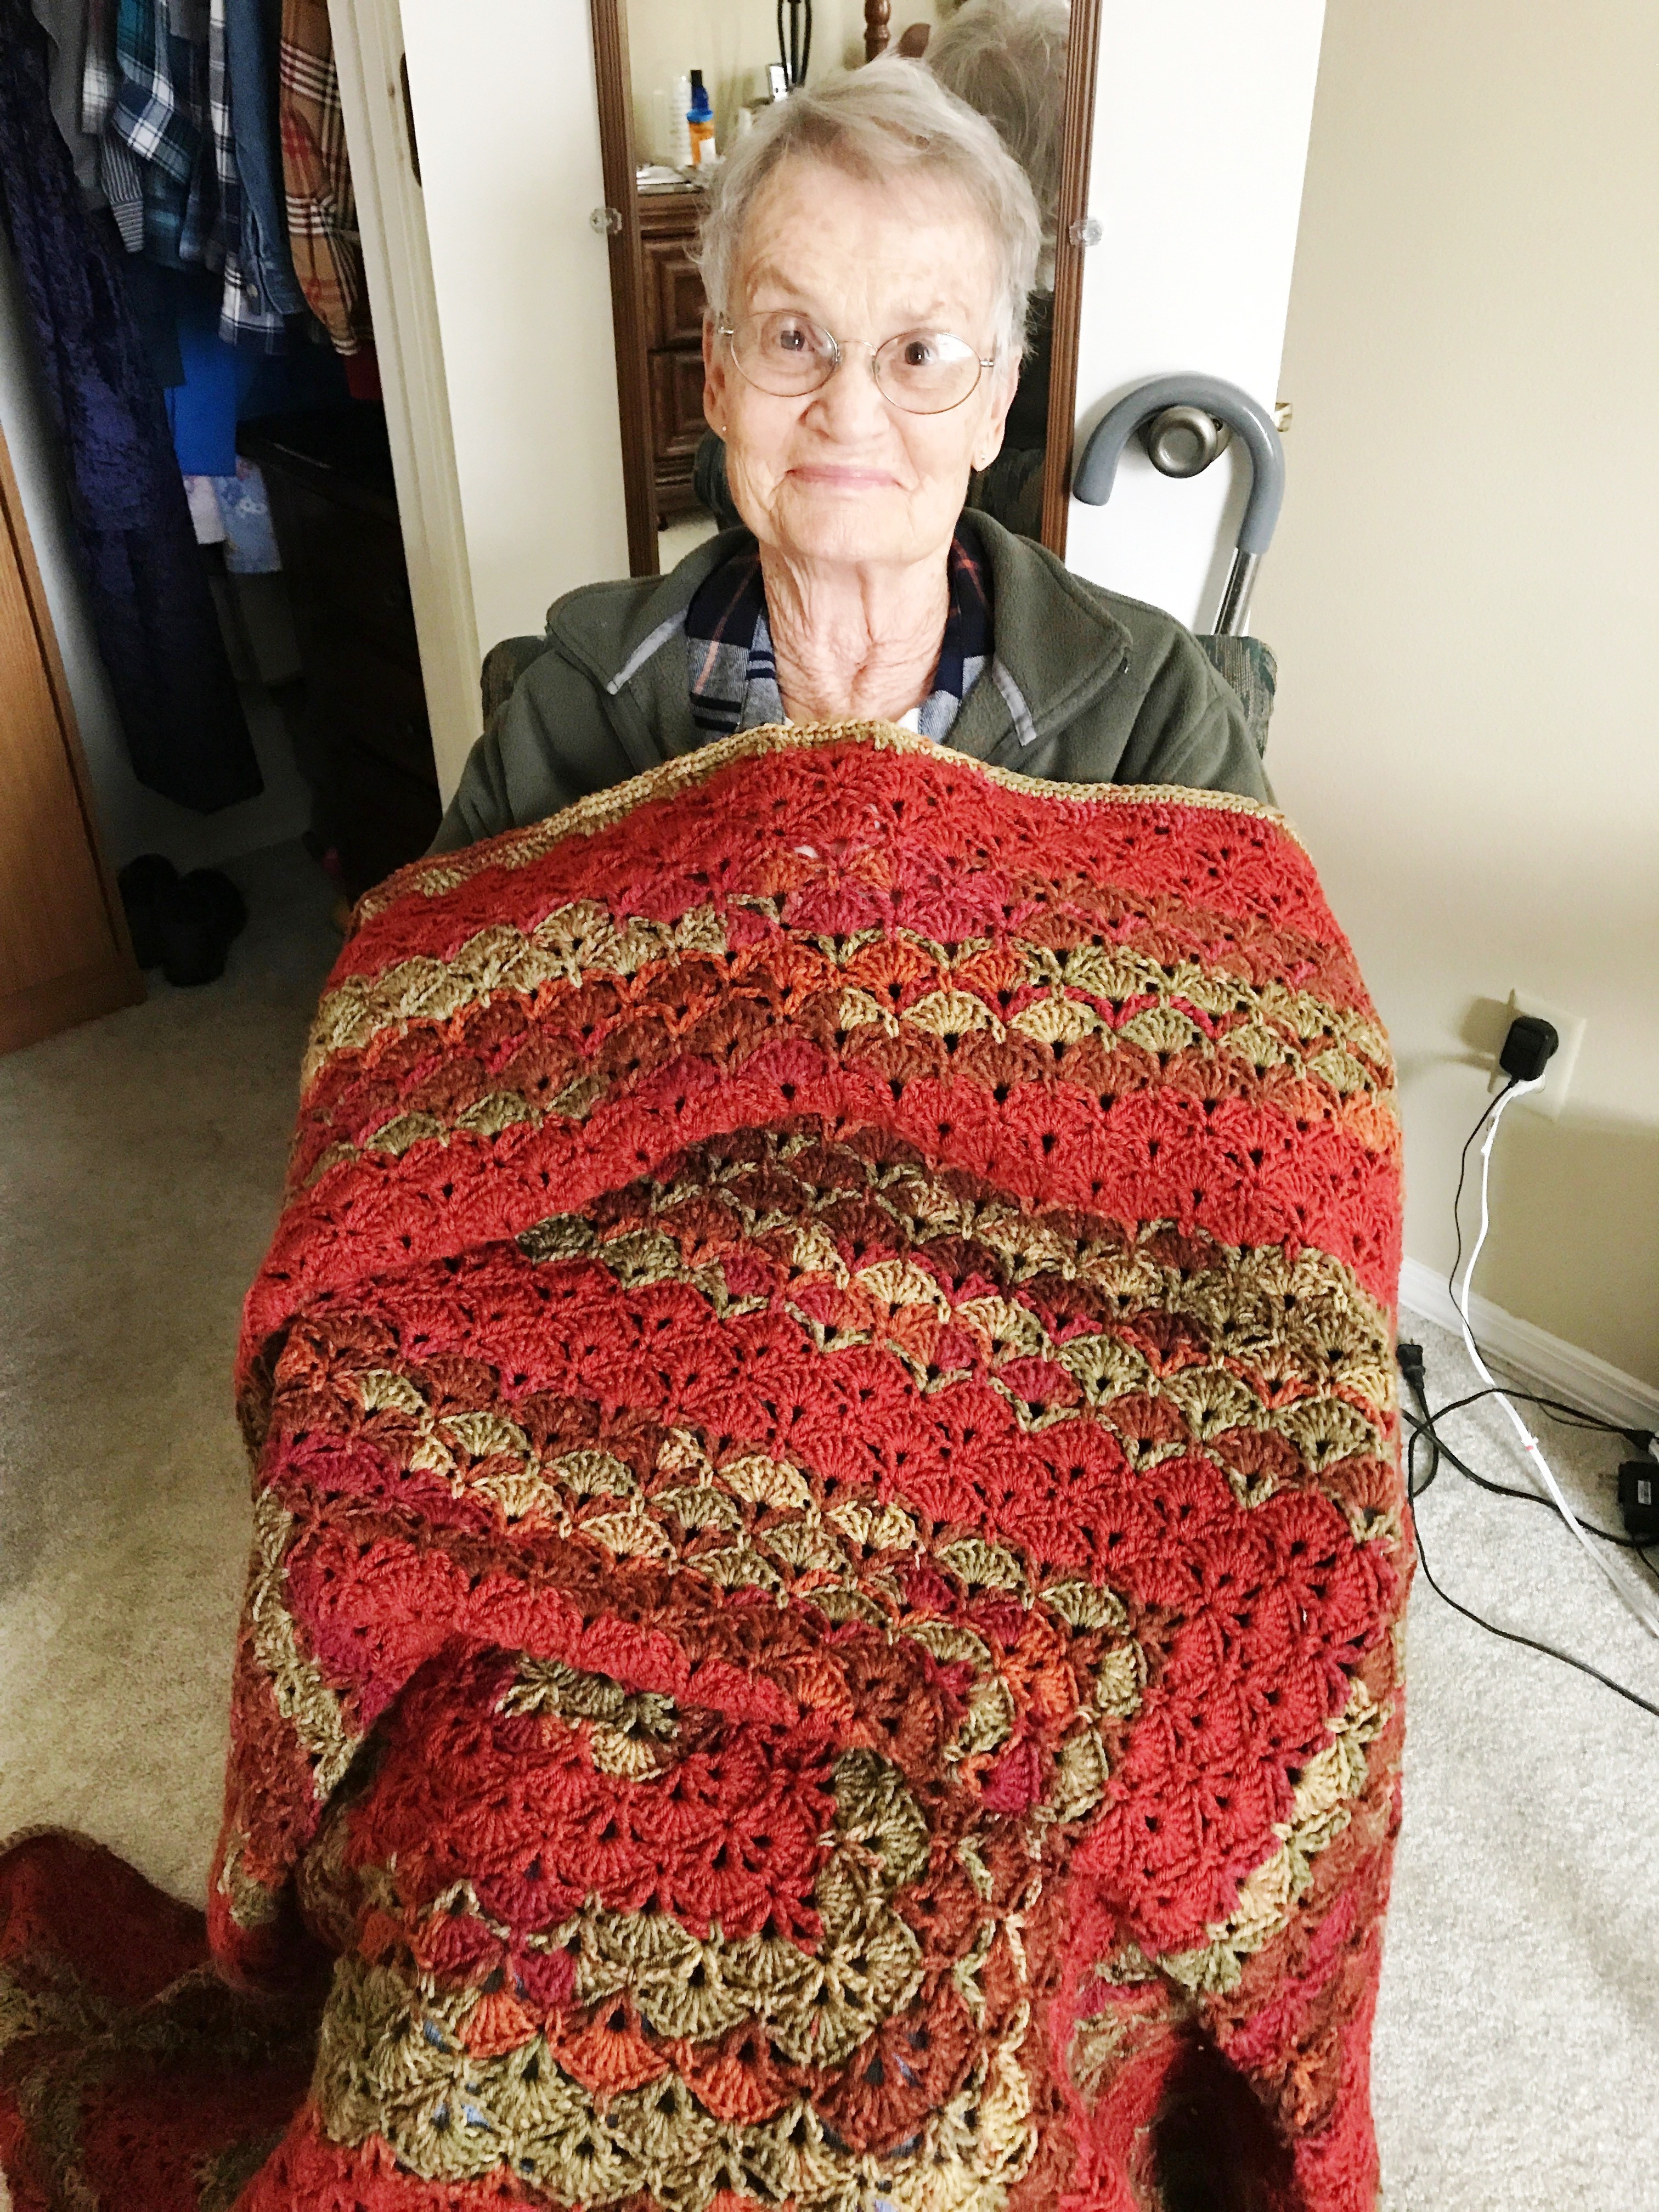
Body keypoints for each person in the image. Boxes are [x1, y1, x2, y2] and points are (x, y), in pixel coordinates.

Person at [430, 63, 1267, 855]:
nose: (851, 414)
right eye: (794, 337)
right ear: (718, 379)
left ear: (995, 405)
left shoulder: (1154, 717)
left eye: (921, 351)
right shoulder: (568, 710)